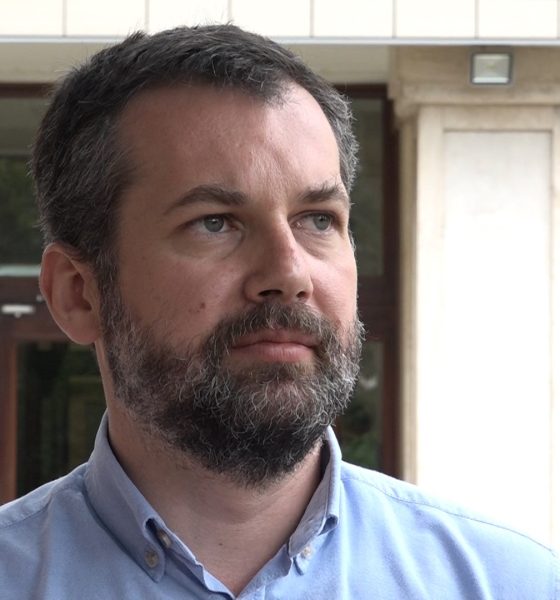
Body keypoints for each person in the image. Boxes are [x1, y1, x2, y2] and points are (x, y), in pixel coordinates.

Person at [0, 24, 557, 599]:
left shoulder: (511, 584)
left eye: (318, 219)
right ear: (78, 293)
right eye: (214, 222)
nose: (290, 274)